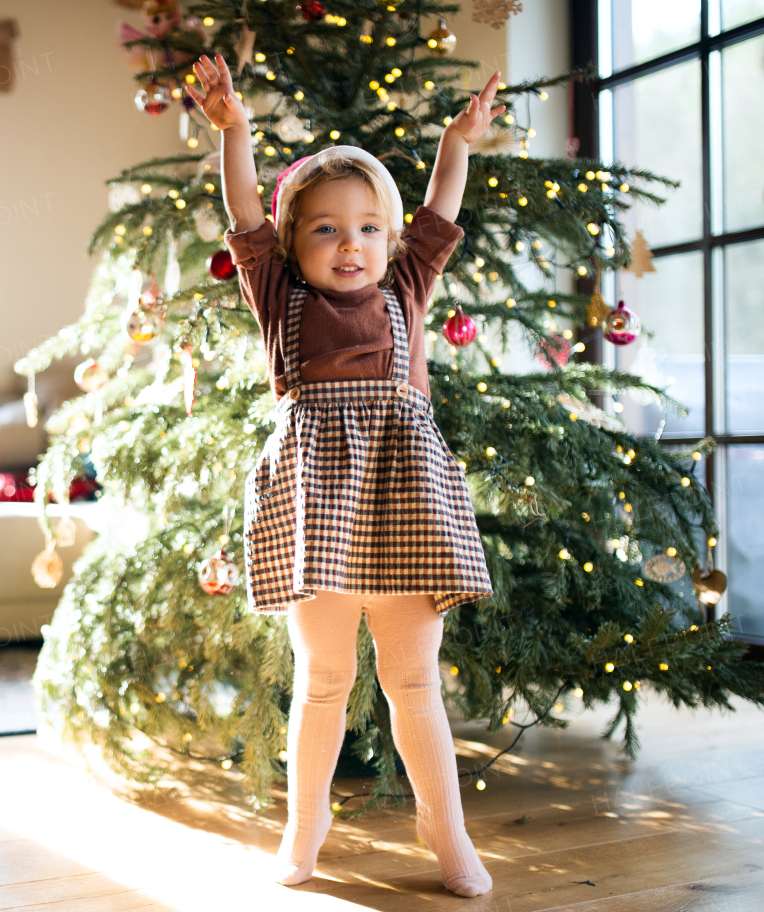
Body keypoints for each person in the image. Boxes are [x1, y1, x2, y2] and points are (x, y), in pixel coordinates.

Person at [188, 53, 503, 895]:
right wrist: (237, 130)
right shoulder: (274, 290)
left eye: (368, 226)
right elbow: (243, 210)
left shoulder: (407, 286)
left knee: (411, 680)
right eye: (326, 227)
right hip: (313, 507)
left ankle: (446, 831)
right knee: (324, 679)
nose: (350, 243)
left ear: (390, 241)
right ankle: (305, 826)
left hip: (405, 499)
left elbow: (441, 208)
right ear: (293, 243)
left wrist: (454, 141)